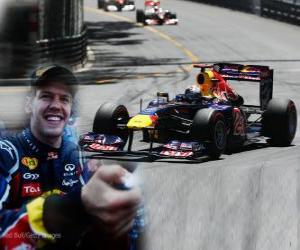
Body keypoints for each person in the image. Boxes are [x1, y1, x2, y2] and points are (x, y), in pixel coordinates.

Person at [0, 65, 141, 249]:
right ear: (29, 105)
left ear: (69, 108)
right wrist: (67, 210)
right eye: (46, 96)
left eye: (64, 99)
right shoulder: (7, 153)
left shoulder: (81, 155)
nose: (56, 105)